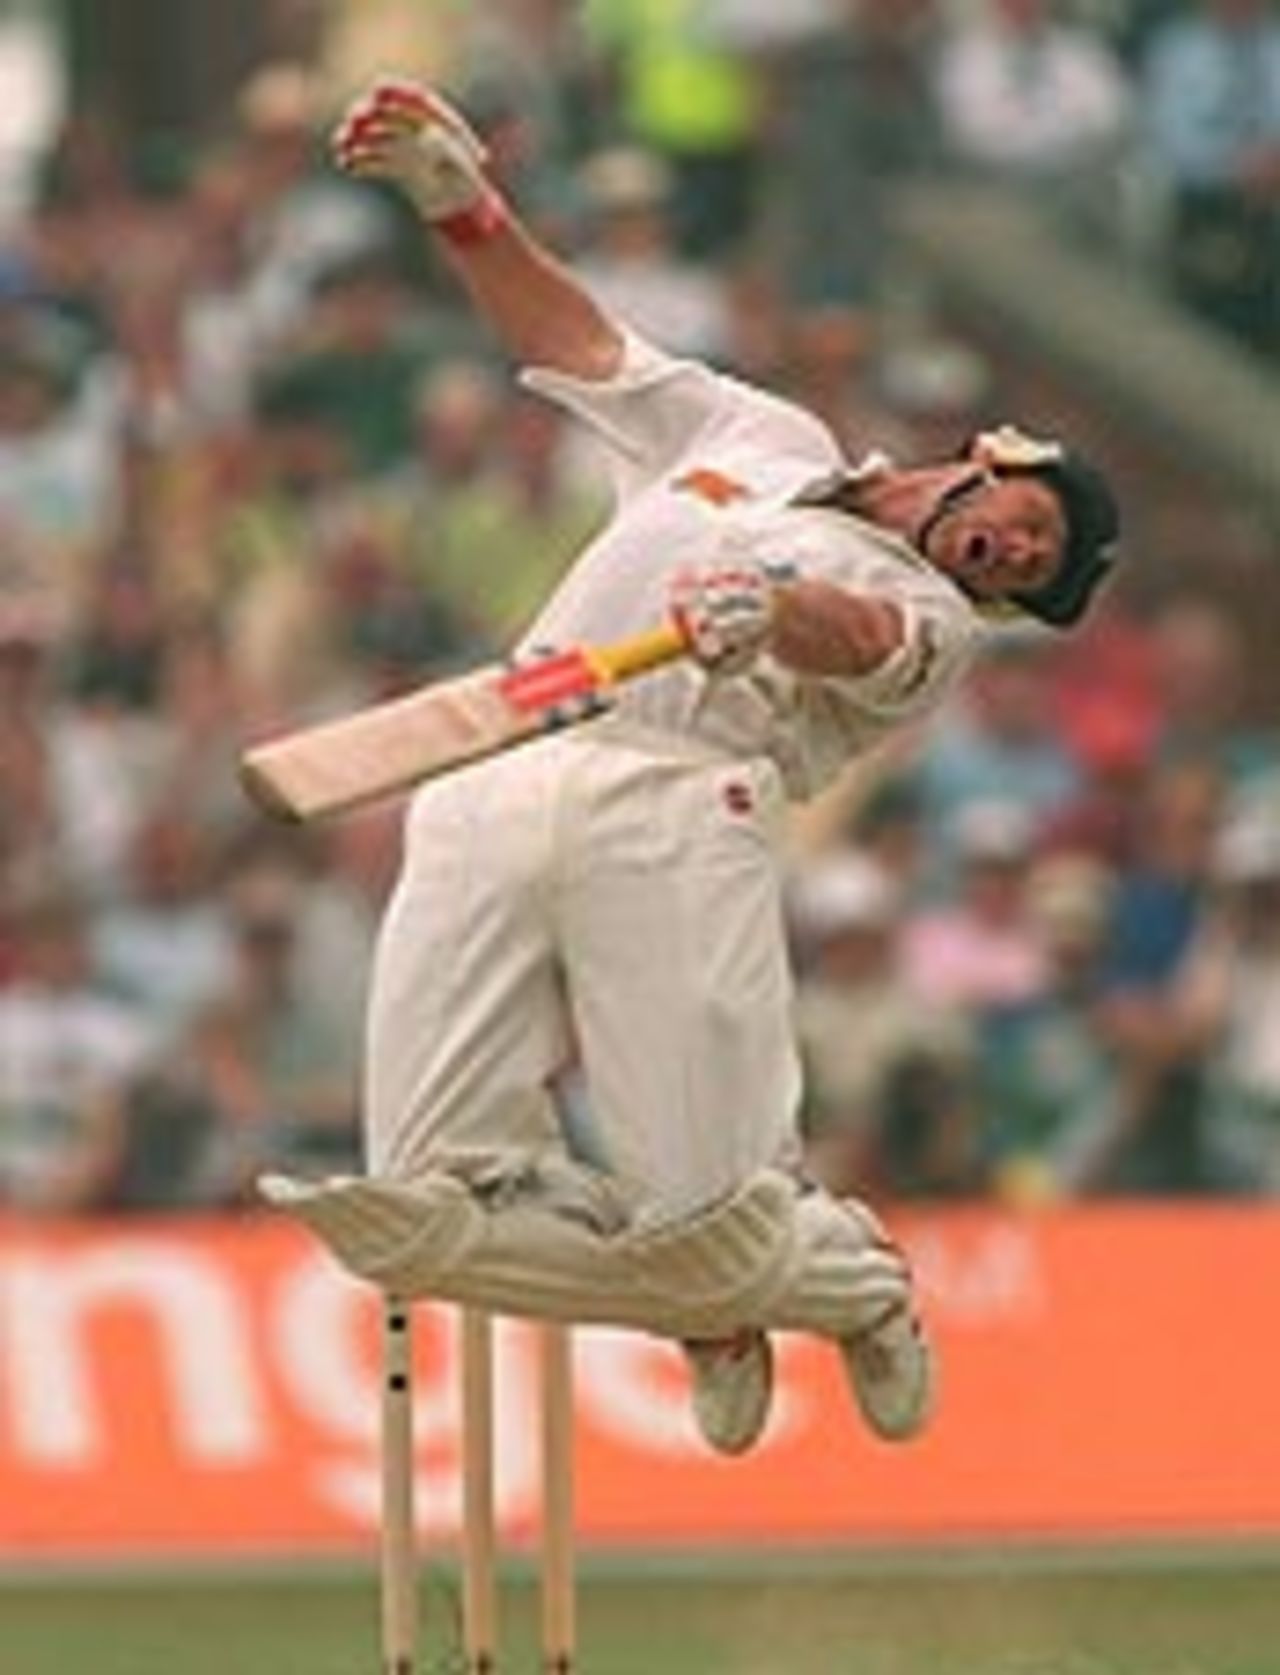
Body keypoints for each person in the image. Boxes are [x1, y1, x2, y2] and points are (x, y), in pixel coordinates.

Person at [262, 77, 1121, 1457]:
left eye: (1037, 577)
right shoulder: (760, 437)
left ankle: (828, 1280)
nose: (1018, 560)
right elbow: (581, 343)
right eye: (1030, 529)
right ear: (995, 461)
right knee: (412, 1220)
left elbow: (863, 635)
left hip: (677, 804)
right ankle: (729, 1291)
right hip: (501, 764)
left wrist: (773, 613)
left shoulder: (947, 626)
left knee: (709, 1217)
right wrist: (460, 205)